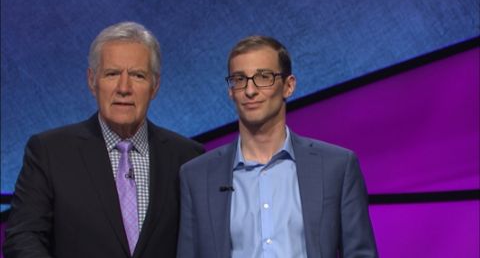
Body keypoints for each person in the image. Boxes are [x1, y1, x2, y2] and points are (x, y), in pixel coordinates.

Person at [3, 21, 204, 258]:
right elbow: (23, 238)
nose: (123, 88)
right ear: (92, 80)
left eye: (138, 75)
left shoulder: (189, 158)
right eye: (112, 74)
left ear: (155, 85)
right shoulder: (49, 152)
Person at [177, 36, 378, 258]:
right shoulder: (197, 176)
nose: (250, 90)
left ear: (288, 86)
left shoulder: (336, 167)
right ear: (230, 91)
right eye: (239, 79)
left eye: (264, 77)